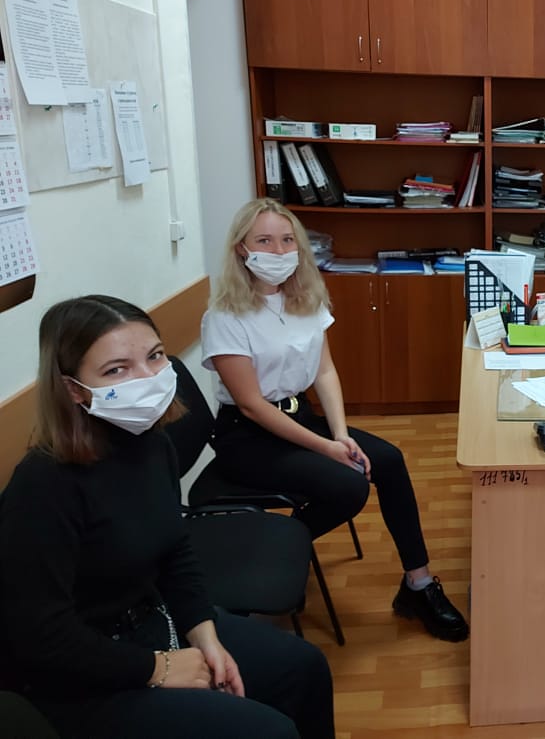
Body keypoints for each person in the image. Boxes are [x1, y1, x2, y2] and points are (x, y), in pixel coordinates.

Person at [0, 295, 335, 739]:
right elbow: (42, 637)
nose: (148, 377)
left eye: (155, 356)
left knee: (302, 667)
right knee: (267, 731)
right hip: (79, 674)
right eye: (117, 370)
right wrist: (157, 668)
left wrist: (206, 637)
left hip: (151, 623)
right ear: (74, 390)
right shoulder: (44, 483)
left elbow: (174, 550)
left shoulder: (153, 444)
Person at [201, 198, 468, 642]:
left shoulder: (303, 299)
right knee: (350, 485)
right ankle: (275, 550)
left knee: (389, 461)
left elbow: (324, 372)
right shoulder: (225, 316)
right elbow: (251, 405)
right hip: (248, 437)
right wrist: (327, 447)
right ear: (242, 249)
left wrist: (341, 435)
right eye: (264, 240)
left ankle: (418, 584)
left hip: (300, 417)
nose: (278, 251)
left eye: (287, 240)